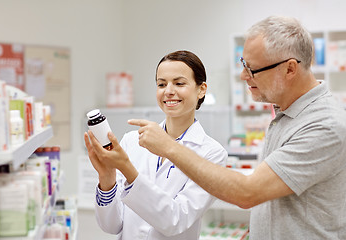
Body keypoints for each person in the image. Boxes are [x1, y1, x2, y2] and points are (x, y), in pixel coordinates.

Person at [129, 16, 346, 240]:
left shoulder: (324, 125)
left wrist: (169, 148)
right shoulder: (286, 115)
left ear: (290, 69)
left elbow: (248, 192)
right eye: (244, 64)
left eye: (252, 69)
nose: (244, 76)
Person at [84, 50, 228, 240]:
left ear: (201, 89)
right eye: (161, 84)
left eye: (179, 83)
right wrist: (107, 176)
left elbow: (175, 220)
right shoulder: (131, 141)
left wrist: (127, 169)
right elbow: (111, 225)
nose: (168, 90)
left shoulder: (212, 154)